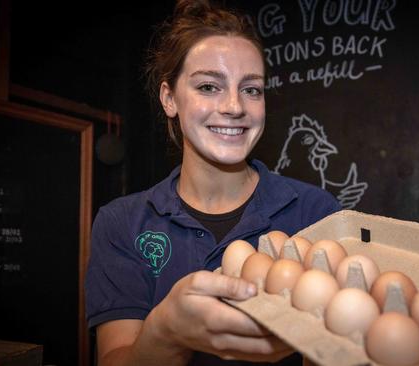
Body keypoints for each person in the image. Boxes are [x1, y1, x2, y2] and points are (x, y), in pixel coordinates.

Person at [84, 1, 341, 365]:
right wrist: (165, 331)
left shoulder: (318, 213)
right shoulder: (121, 223)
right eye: (209, 86)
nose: (235, 106)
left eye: (252, 89)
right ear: (169, 98)